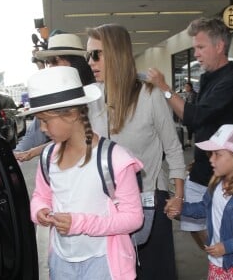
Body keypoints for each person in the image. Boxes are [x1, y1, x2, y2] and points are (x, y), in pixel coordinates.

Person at [23, 66, 144, 280]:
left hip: (103, 263)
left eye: (45, 120)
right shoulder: (48, 156)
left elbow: (134, 218)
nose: (41, 128)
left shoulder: (114, 158)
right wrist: (40, 209)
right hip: (61, 262)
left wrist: (80, 223)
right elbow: (41, 195)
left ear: (71, 113)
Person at [86, 23, 185, 280]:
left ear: (116, 54)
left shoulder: (149, 95)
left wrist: (179, 196)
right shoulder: (92, 98)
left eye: (96, 54)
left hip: (150, 202)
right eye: (88, 55)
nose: (90, 61)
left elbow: (173, 148)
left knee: (153, 272)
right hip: (109, 206)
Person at [147, 17, 233, 250]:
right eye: (194, 47)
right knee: (187, 220)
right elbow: (202, 124)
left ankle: (230, 262)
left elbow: (194, 116)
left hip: (228, 174)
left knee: (227, 230)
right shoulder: (209, 80)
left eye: (200, 47)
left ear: (219, 47)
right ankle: (222, 260)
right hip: (205, 167)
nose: (195, 53)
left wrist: (165, 88)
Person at [176, 124, 233, 280]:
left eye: (217, 154)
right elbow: (204, 208)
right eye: (210, 154)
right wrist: (180, 208)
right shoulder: (216, 185)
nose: (211, 159)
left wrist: (227, 247)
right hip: (216, 262)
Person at [14, 33, 95, 162]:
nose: (50, 66)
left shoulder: (97, 94)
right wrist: (19, 152)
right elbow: (34, 135)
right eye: (48, 62)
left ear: (75, 61)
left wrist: (34, 151)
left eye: (54, 61)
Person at [184, 82, 197, 147]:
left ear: (190, 87)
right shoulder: (186, 94)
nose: (186, 88)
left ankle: (192, 142)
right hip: (188, 113)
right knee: (189, 128)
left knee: (193, 128)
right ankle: (189, 142)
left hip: (193, 113)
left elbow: (194, 104)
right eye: (185, 87)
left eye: (187, 87)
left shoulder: (194, 94)